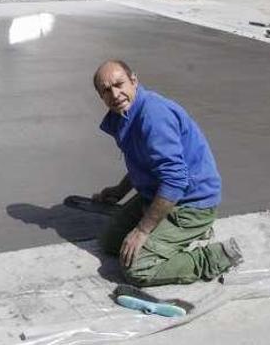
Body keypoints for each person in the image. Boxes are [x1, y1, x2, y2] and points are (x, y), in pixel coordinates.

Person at [92, 59, 243, 287]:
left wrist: (143, 230)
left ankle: (213, 256)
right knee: (111, 242)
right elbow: (145, 162)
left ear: (134, 80)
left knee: (136, 268)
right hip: (158, 194)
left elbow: (175, 180)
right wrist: (119, 190)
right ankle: (178, 235)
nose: (115, 93)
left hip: (191, 204)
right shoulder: (124, 115)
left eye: (119, 84)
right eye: (106, 90)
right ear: (101, 97)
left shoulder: (153, 116)